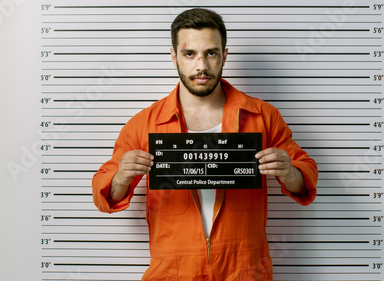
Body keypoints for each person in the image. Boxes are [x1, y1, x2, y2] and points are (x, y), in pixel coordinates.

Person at [92, 8, 318, 280]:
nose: (201, 65)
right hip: (172, 274)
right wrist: (121, 178)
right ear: (174, 56)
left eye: (211, 53)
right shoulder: (144, 124)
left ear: (224, 55)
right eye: (190, 54)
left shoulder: (263, 116)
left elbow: (306, 179)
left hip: (245, 272)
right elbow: (104, 196)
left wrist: (289, 171)